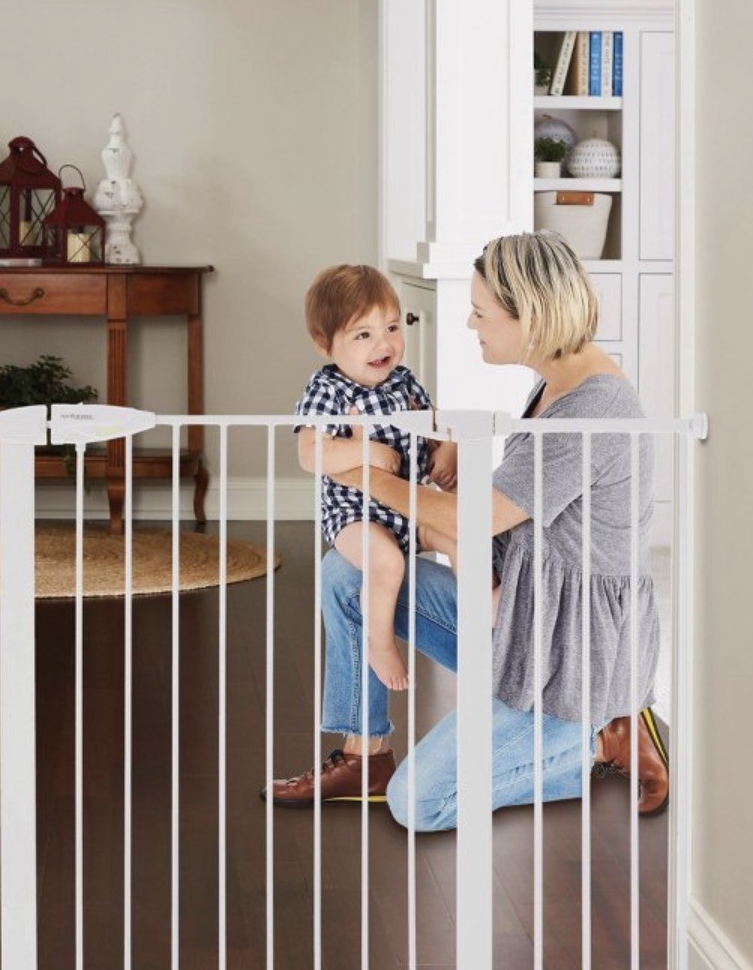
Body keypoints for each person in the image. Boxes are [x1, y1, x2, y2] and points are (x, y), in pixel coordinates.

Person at [267, 232, 669, 826]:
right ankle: (365, 754)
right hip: (523, 615)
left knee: (419, 803)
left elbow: (476, 519)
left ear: (527, 314)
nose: (467, 322)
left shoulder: (592, 411)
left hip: (567, 654)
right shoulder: (554, 385)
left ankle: (602, 733)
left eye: (480, 312)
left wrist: (363, 475)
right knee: (343, 572)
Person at [293, 264, 458, 691]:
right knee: (386, 562)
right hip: (356, 517)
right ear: (324, 344)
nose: (383, 343)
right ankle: (379, 640)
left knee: (462, 539)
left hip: (412, 508)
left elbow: (438, 425)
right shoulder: (328, 389)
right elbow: (311, 454)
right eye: (362, 335)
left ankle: (488, 608)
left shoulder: (405, 383)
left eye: (391, 327)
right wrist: (364, 451)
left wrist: (447, 451)